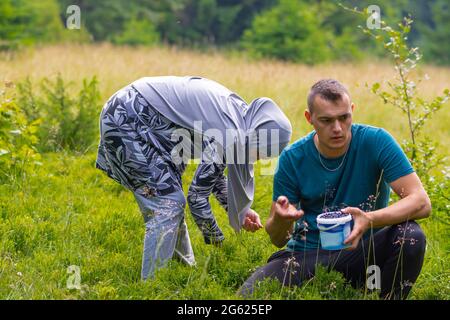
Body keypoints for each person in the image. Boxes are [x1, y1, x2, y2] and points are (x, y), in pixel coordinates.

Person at [239, 79, 431, 299]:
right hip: (308, 254)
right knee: (249, 294)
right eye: (326, 120)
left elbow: (421, 202)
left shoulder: (376, 140)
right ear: (309, 119)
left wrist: (369, 219)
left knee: (411, 235)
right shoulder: (293, 158)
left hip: (364, 251)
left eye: (344, 117)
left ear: (352, 111)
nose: (337, 128)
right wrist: (282, 220)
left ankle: (385, 294)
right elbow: (277, 238)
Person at [95, 76, 292, 279]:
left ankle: (183, 270)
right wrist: (217, 240)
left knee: (169, 197)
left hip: (135, 113)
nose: (258, 159)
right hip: (128, 119)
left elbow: (211, 177)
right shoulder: (230, 133)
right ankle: (152, 284)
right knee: (168, 202)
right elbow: (197, 197)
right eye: (261, 152)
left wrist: (240, 210)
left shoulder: (241, 119)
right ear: (257, 137)